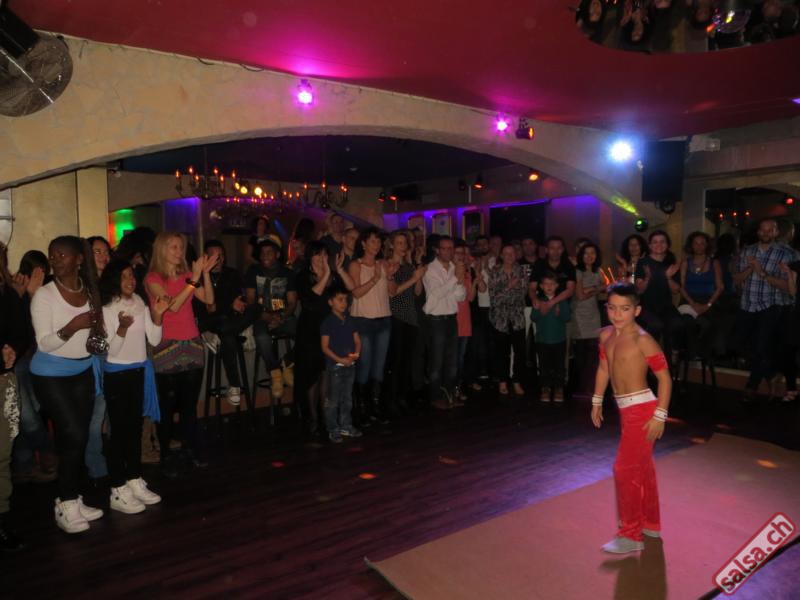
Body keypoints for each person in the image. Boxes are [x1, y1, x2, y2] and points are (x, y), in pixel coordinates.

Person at [30, 236, 106, 533]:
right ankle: (65, 502)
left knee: (79, 436)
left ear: (79, 259)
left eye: (62, 255)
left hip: (83, 370)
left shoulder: (89, 290)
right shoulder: (44, 295)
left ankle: (72, 497)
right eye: (52, 255)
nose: (55, 260)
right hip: (50, 373)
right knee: (73, 433)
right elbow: (44, 343)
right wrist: (72, 326)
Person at [591, 282, 671, 554]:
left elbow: (664, 378)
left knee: (624, 469)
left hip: (643, 410)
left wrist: (660, 415)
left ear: (636, 310)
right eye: (612, 308)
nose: (617, 314)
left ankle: (630, 535)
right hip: (625, 410)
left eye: (624, 309)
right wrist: (596, 400)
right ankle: (651, 523)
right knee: (643, 468)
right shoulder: (605, 335)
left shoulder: (643, 339)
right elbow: (604, 368)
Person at [145, 232, 216, 478]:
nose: (179, 252)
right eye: (173, 247)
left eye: (181, 247)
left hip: (192, 344)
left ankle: (190, 450)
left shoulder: (188, 276)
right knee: (166, 407)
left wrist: (204, 273)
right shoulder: (153, 278)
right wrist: (194, 279)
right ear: (162, 250)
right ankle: (165, 455)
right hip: (167, 345)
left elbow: (209, 299)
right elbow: (172, 306)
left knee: (189, 406)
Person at [101, 260, 168, 513]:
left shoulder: (140, 301)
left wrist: (158, 315)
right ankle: (117, 489)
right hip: (117, 374)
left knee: (135, 428)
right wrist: (121, 328)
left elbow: (154, 339)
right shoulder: (108, 307)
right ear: (114, 280)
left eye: (131, 275)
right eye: (124, 276)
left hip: (139, 371)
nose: (130, 280)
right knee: (119, 432)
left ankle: (134, 479)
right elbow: (111, 351)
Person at [732, 219, 796, 402]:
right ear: (758, 232)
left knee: (761, 346)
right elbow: (736, 279)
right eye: (763, 230)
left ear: (776, 232)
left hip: (771, 305)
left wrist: (762, 273)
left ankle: (751, 386)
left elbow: (789, 287)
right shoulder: (748, 251)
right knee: (737, 343)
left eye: (770, 230)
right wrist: (750, 269)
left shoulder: (787, 254)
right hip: (747, 304)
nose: (766, 233)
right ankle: (771, 373)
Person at [10, 250, 56, 483]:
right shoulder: (14, 288)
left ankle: (24, 463)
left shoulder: (47, 290)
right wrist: (26, 297)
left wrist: (34, 296)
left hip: (37, 359)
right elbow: (16, 328)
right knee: (25, 413)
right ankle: (46, 451)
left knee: (32, 409)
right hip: (15, 360)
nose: (40, 275)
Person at [294, 242, 349, 434]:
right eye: (317, 255)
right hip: (309, 331)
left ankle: (325, 417)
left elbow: (346, 292)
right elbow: (311, 298)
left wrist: (338, 271)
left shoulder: (333, 277)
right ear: (310, 257)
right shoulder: (302, 276)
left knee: (326, 372)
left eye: (325, 254)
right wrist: (325, 273)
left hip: (329, 329)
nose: (321, 258)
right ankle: (313, 417)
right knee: (312, 375)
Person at [195, 240, 253, 407]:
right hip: (209, 322)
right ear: (205, 258)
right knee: (226, 327)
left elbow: (240, 301)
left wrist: (230, 305)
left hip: (228, 321)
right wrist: (228, 305)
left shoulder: (232, 274)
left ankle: (234, 385)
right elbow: (208, 309)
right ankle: (234, 384)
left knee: (254, 309)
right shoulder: (197, 277)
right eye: (214, 256)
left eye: (221, 255)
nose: (219, 260)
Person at [348, 227, 394, 422]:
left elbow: (392, 292)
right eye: (373, 241)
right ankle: (362, 407)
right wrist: (375, 278)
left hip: (384, 320)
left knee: (379, 366)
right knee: (364, 365)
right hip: (363, 321)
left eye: (379, 241)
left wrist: (389, 276)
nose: (377, 245)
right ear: (364, 243)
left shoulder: (383, 263)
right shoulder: (356, 265)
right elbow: (356, 293)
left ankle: (375, 405)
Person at [245, 239, 298, 403]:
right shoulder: (253, 271)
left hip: (284, 316)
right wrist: (264, 315)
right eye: (262, 253)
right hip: (261, 316)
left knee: (307, 331)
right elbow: (250, 300)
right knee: (261, 336)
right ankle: (275, 371)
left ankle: (287, 362)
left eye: (269, 252)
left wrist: (281, 317)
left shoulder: (287, 273)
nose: (265, 256)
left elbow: (292, 303)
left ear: (278, 254)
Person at [422, 236, 466, 409]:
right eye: (445, 248)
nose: (449, 251)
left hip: (451, 318)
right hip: (436, 320)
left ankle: (450, 394)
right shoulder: (430, 269)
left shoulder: (455, 268)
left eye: (451, 248)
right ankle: (435, 396)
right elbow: (436, 294)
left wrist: (458, 280)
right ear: (437, 250)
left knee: (452, 362)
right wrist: (456, 279)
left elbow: (460, 296)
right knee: (437, 361)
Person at [385, 231, 426, 414]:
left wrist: (418, 275)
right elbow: (393, 291)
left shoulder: (408, 266)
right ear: (392, 245)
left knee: (407, 360)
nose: (403, 246)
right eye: (399, 243)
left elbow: (417, 292)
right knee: (396, 360)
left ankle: (402, 396)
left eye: (404, 243)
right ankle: (391, 399)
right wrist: (414, 278)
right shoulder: (388, 265)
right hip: (396, 316)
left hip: (410, 317)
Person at [0, 240, 23, 549]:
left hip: (3, 379)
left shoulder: (7, 294)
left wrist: (12, 349)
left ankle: (1, 519)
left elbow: (21, 331)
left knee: (2, 452)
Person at [85, 236, 113, 488]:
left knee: (114, 409)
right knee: (96, 413)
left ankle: (116, 461)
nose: (103, 256)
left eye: (105, 251)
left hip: (117, 352)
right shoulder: (82, 285)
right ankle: (96, 467)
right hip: (93, 354)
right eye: (97, 251)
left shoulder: (113, 282)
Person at [320, 286, 363, 444]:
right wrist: (340, 359)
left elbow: (357, 340)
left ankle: (346, 425)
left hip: (349, 365)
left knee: (347, 398)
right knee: (333, 400)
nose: (344, 303)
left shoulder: (350, 320)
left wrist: (353, 356)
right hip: (335, 367)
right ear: (330, 302)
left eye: (345, 299)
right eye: (340, 300)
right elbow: (325, 347)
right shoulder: (327, 323)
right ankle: (333, 428)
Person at [674, 232, 723, 361]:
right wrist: (692, 303)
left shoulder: (714, 263)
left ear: (707, 245)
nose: (699, 246)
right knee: (687, 322)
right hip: (688, 301)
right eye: (696, 243)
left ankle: (703, 353)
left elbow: (720, 287)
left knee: (709, 324)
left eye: (702, 243)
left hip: (709, 301)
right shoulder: (685, 263)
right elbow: (681, 286)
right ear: (691, 245)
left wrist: (708, 305)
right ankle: (691, 353)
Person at [488, 244, 528, 396]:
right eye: (506, 253)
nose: (509, 256)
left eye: (512, 253)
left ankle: (517, 381)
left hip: (517, 317)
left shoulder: (521, 271)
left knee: (520, 351)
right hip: (500, 318)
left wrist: (504, 291)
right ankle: (503, 381)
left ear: (516, 255)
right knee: (501, 352)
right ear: (501, 255)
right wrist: (509, 287)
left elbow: (522, 293)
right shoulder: (494, 271)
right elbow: (494, 298)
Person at [634, 231, 680, 360]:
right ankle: (651, 358)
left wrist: (668, 277)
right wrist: (648, 277)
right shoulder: (643, 262)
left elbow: (676, 290)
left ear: (667, 245)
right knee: (656, 325)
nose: (659, 245)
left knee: (677, 324)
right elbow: (639, 290)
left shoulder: (671, 263)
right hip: (646, 306)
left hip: (666, 307)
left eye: (662, 241)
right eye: (655, 242)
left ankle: (670, 358)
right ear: (649, 245)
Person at [572, 242, 605, 398]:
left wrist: (592, 289)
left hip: (594, 313)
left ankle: (591, 387)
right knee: (581, 353)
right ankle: (580, 388)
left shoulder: (599, 271)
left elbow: (605, 289)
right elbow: (580, 295)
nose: (589, 256)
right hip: (579, 314)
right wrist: (597, 289)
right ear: (581, 255)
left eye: (593, 253)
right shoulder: (577, 271)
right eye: (586, 253)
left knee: (593, 354)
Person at [532, 273, 572, 402]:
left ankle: (559, 388)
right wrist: (539, 311)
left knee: (559, 366)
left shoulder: (561, 300)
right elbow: (533, 317)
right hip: (542, 340)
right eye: (546, 284)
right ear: (541, 286)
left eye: (552, 284)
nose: (549, 286)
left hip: (559, 339)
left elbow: (567, 318)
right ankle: (545, 388)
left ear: (557, 286)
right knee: (544, 365)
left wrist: (560, 314)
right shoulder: (538, 300)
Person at [454, 240, 476, 401]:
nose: (460, 256)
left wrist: (475, 280)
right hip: (451, 319)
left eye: (462, 253)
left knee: (460, 357)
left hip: (465, 318)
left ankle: (458, 386)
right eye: (457, 252)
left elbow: (471, 297)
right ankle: (451, 387)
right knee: (452, 357)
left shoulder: (467, 273)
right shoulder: (447, 272)